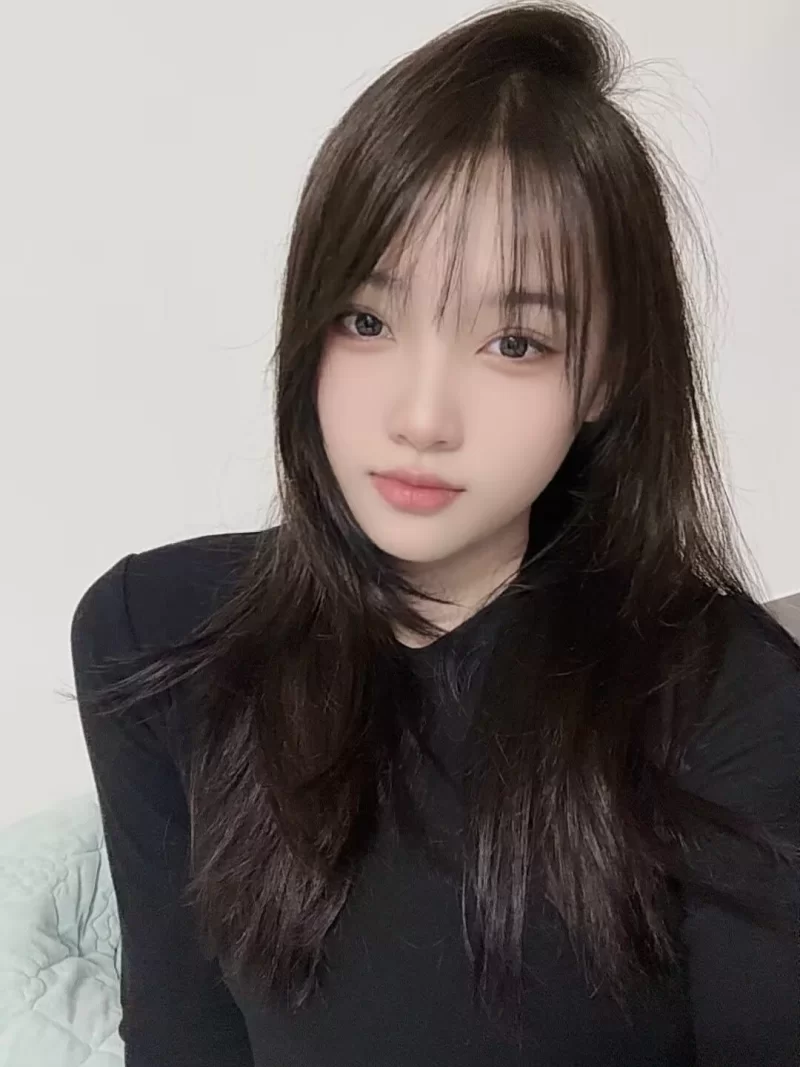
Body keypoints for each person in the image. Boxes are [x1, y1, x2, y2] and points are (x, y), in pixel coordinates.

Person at [70, 3, 800, 1065]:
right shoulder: (158, 638)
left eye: (515, 341)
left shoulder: (724, 696)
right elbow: (185, 1039)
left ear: (603, 376)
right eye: (367, 320)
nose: (421, 416)